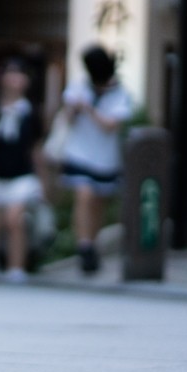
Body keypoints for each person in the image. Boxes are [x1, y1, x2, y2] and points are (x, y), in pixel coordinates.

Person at [57, 44, 134, 274]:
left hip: (105, 158)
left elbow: (111, 126)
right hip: (79, 153)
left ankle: (92, 243)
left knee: (98, 202)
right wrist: (74, 108)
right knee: (84, 195)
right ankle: (84, 245)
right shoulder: (78, 87)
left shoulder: (120, 93)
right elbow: (67, 118)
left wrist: (89, 108)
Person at [0, 57, 44, 283]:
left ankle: (16, 266)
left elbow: (36, 148)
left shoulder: (31, 111)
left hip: (22, 174)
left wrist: (43, 180)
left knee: (14, 219)